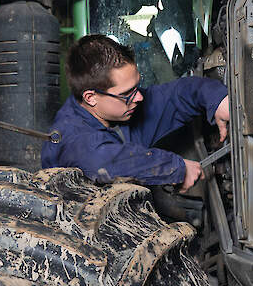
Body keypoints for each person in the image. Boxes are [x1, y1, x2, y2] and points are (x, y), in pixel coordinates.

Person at [41, 34, 230, 192]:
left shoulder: (124, 110)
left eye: (137, 86)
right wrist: (177, 168)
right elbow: (104, 161)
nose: (138, 97)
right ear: (91, 98)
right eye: (126, 93)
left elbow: (177, 94)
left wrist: (217, 99)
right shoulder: (71, 138)